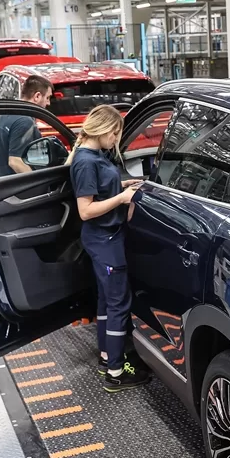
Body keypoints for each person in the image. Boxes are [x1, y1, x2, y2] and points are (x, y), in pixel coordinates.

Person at [69, 105, 147, 391]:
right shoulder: (85, 162)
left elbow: (100, 188)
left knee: (106, 301)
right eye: (115, 134)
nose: (116, 140)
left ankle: (106, 357)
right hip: (104, 240)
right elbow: (86, 210)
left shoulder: (94, 156)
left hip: (105, 238)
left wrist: (122, 185)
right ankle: (115, 372)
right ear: (102, 130)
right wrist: (122, 198)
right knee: (118, 304)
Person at [0, 74, 52, 176]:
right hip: (17, 184)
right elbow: (15, 161)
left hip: (4, 180)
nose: (49, 103)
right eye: (47, 98)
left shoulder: (7, 112)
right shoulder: (24, 121)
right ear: (37, 96)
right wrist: (36, 181)